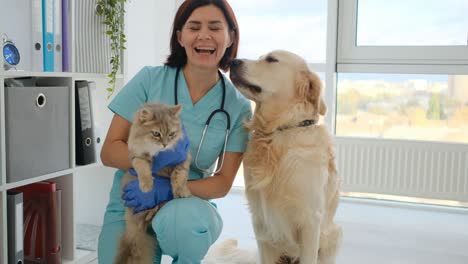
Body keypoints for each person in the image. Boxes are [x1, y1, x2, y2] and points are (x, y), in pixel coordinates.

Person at [97, 0, 251, 263]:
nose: (204, 35)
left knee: (185, 223)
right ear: (180, 37)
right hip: (133, 200)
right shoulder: (150, 80)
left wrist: (170, 188)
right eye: (194, 27)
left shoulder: (237, 106)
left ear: (230, 37)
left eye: (215, 27)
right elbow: (110, 150)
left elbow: (223, 182)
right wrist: (153, 166)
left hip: (186, 203)